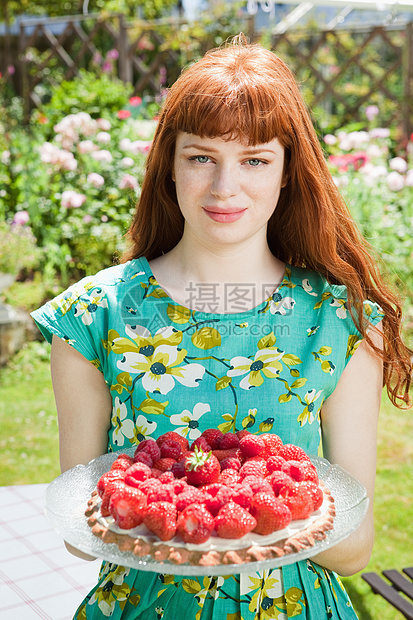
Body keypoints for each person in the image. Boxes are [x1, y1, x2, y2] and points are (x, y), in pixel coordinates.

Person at [31, 35, 412, 620]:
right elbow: (80, 534)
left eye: (256, 159)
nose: (224, 186)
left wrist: (264, 514)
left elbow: (355, 549)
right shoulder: (92, 318)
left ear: (288, 172)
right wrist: (165, 507)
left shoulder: (339, 321)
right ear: (170, 166)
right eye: (201, 156)